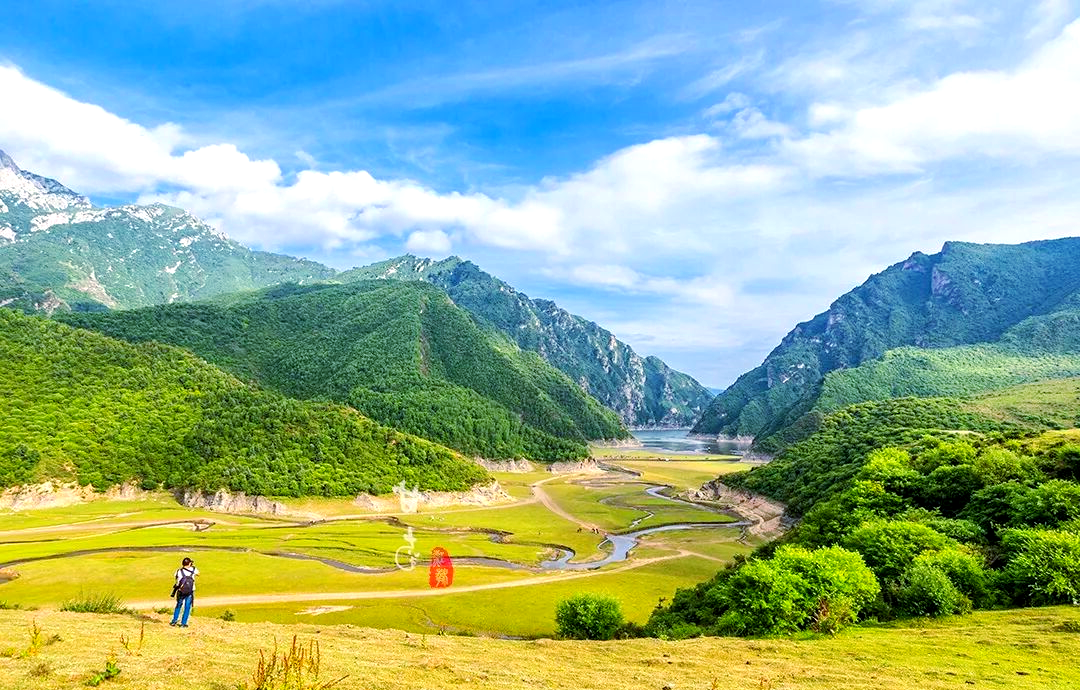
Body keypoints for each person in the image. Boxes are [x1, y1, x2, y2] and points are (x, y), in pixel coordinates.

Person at [170, 557, 199, 627]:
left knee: (178, 605)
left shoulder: (178, 571)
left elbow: (176, 579)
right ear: (189, 563)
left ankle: (174, 621)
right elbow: (198, 574)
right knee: (187, 607)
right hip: (190, 591)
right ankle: (183, 623)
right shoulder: (193, 569)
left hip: (181, 591)